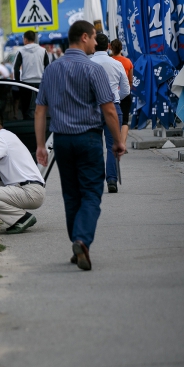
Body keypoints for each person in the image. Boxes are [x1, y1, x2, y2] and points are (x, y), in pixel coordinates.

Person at [34, 20, 125, 271]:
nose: (96, 43)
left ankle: (77, 243)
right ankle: (82, 240)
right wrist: (118, 141)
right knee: (91, 193)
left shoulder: (52, 70)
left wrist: (41, 145)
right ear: (84, 37)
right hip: (88, 139)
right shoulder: (93, 70)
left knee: (71, 195)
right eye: (94, 38)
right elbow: (109, 109)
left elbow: (40, 110)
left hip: (62, 141)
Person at [90, 33, 130, 193]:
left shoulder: (88, 64)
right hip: (113, 107)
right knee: (114, 145)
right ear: (108, 46)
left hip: (93, 108)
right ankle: (112, 180)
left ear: (93, 46)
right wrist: (115, 99)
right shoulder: (116, 64)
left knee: (94, 146)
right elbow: (126, 89)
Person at [13, 30, 50, 118]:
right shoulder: (43, 51)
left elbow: (16, 68)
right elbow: (48, 68)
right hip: (40, 84)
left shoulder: (21, 51)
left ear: (25, 39)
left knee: (26, 110)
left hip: (26, 84)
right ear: (35, 39)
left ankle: (28, 126)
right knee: (41, 109)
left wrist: (18, 83)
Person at [110, 39, 134, 148]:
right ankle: (123, 144)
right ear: (121, 48)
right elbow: (130, 80)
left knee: (113, 119)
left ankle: (116, 142)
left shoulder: (109, 61)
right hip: (125, 93)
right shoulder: (128, 62)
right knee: (124, 120)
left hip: (112, 94)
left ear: (111, 48)